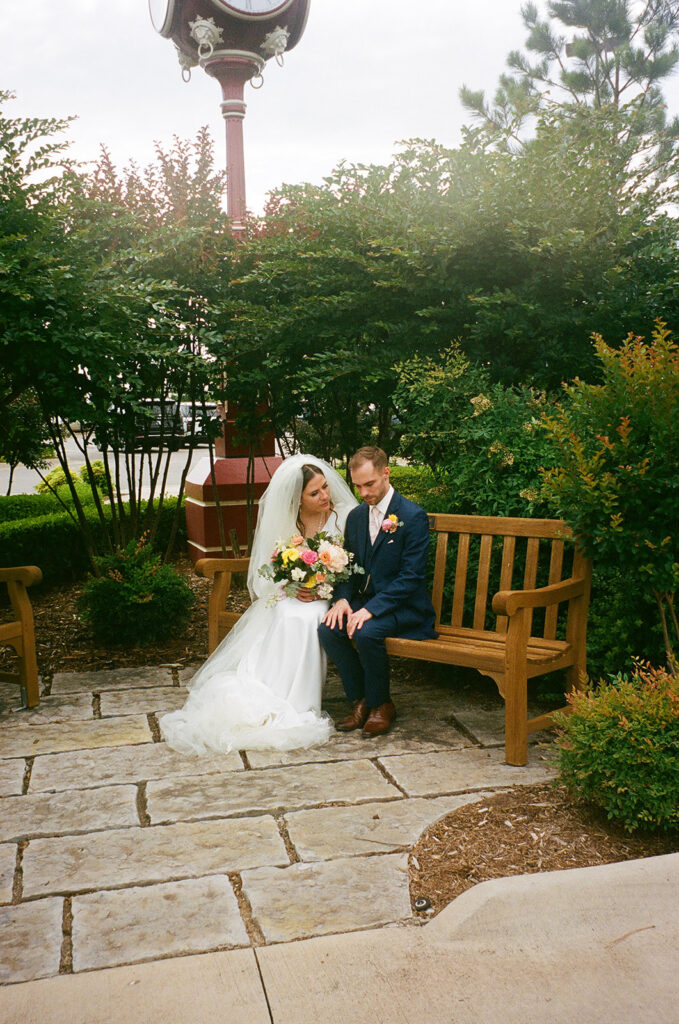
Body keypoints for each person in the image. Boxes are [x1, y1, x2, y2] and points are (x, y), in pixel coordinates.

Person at [160, 454, 358, 755]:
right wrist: (292, 586)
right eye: (314, 493)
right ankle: (278, 692)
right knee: (287, 613)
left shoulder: (344, 516)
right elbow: (274, 568)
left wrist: (324, 590)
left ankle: (303, 699)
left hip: (330, 597)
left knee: (311, 618)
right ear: (299, 499)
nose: (324, 496)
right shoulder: (289, 520)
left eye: (325, 487)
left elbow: (352, 568)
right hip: (294, 594)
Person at [318, 446, 437, 738]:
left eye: (369, 484)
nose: (363, 493)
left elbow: (411, 578)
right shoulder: (357, 517)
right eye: (357, 486)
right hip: (366, 604)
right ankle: (360, 701)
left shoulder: (412, 516)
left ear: (386, 473)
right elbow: (347, 567)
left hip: (405, 607)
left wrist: (370, 609)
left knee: (366, 632)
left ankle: (381, 704)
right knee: (328, 628)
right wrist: (342, 600)